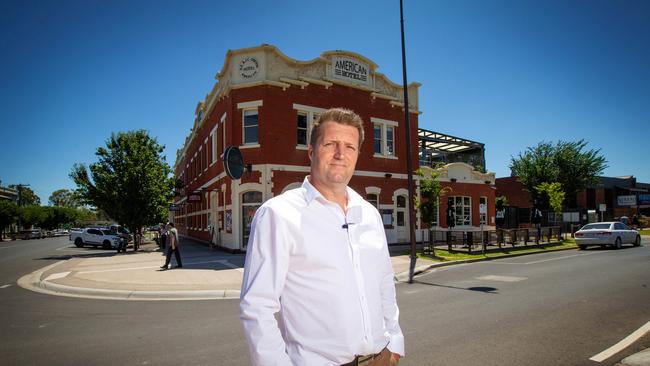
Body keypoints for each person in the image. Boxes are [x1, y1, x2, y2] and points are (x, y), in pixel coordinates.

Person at [240, 108, 404, 365]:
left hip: (380, 358)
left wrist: (395, 341)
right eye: (330, 144)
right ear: (311, 151)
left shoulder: (369, 214)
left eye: (349, 146)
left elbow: (383, 282)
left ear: (358, 155)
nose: (340, 154)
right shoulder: (277, 214)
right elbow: (257, 307)